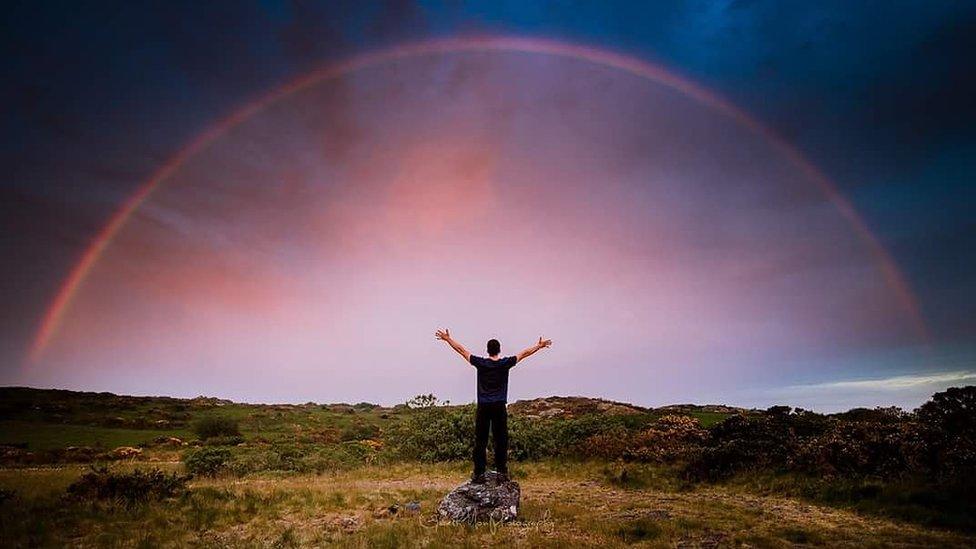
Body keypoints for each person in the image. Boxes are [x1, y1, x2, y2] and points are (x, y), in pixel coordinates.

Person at [435, 328, 552, 482]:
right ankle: (502, 473)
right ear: (499, 350)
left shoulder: (481, 363)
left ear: (487, 350)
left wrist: (448, 339)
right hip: (499, 406)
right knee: (501, 440)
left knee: (481, 441)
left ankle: (479, 474)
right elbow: (524, 354)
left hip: (484, 407)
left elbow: (461, 350)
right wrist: (539, 346)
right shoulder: (505, 363)